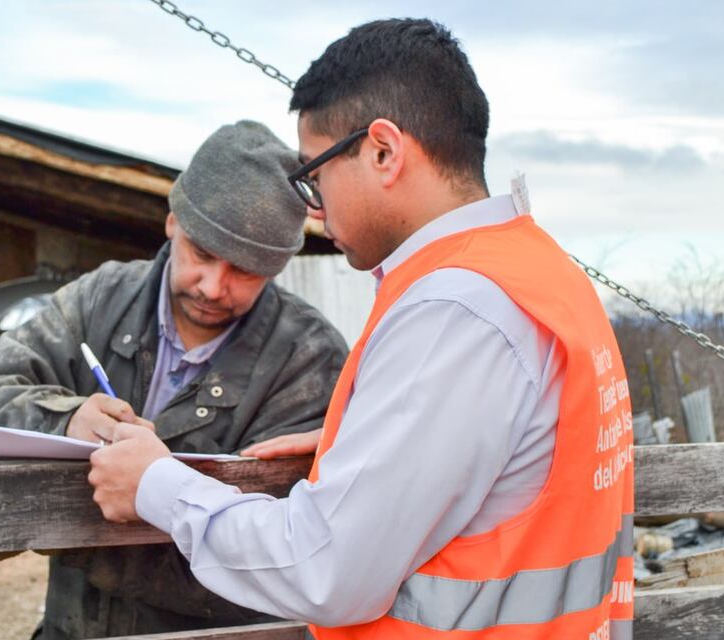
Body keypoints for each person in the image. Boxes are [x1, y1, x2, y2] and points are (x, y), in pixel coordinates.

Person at [88, 18, 635, 639]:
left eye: (314, 176)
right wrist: (367, 446)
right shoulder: (538, 272)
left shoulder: (454, 311)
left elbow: (324, 568)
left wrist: (157, 485)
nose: (316, 210)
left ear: (383, 151)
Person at [0, 120, 348, 639]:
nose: (212, 286)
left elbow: (276, 556)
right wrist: (66, 420)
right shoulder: (99, 298)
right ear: (172, 222)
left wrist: (82, 523)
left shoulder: (309, 360)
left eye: (245, 270)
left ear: (277, 267)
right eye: (202, 253)